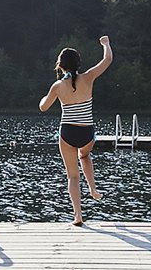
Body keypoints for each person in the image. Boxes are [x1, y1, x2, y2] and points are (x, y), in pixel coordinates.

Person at [39, 36, 113, 226]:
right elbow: (107, 60)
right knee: (85, 156)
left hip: (67, 133)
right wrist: (105, 44)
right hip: (87, 132)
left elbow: (43, 107)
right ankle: (93, 189)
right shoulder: (88, 77)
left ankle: (78, 216)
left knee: (72, 176)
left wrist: (44, 98)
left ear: (60, 66)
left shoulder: (57, 86)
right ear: (78, 63)